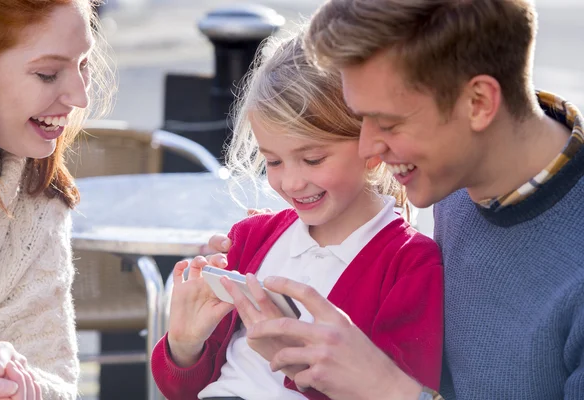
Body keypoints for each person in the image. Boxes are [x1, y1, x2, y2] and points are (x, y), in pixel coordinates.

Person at [205, 0, 584, 399]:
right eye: (360, 118)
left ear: (479, 103)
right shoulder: (455, 177)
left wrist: (385, 388)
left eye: (388, 123)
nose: (368, 147)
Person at [151, 32, 444, 400]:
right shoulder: (251, 239)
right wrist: (183, 344)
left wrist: (294, 360)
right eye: (272, 161)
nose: (290, 181)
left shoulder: (409, 264)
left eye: (313, 159)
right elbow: (183, 388)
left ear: (371, 147)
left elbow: (395, 391)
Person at [0, 0, 113, 398]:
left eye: (85, 63)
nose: (79, 98)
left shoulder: (38, 198)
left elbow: (58, 383)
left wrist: (21, 387)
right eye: (47, 74)